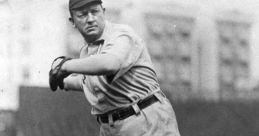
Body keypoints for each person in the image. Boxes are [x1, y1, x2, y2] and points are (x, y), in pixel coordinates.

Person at [52, 0, 181, 135]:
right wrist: (62, 81)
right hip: (112, 127)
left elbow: (110, 64)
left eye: (94, 12)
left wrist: (65, 65)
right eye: (83, 14)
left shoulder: (121, 35)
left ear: (104, 12)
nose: (90, 19)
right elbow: (90, 82)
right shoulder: (87, 52)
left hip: (147, 118)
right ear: (72, 21)